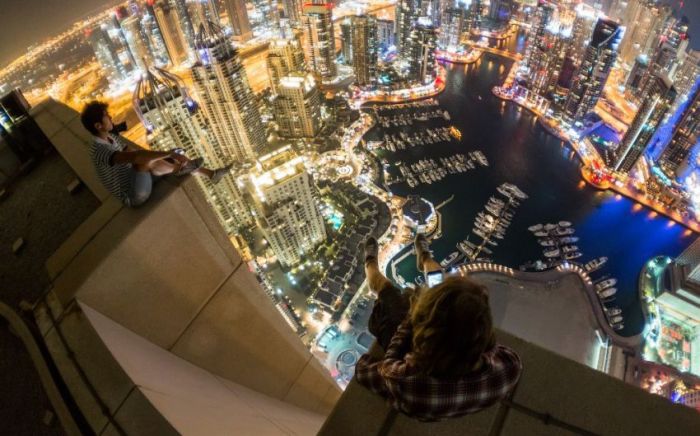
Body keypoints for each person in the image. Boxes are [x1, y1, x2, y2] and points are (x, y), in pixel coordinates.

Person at [355, 234, 522, 422]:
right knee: (439, 287)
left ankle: (370, 262)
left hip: (414, 351)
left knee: (386, 291)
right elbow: (494, 349)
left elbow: (364, 368)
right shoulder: (509, 369)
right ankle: (424, 257)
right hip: (443, 348)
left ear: (424, 332)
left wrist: (411, 319)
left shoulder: (410, 386)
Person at [80, 101, 231, 207]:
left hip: (138, 178)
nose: (111, 117)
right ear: (98, 125)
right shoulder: (100, 150)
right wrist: (168, 154)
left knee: (156, 159)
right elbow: (137, 158)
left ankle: (210, 174)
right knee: (146, 161)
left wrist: (168, 156)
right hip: (133, 194)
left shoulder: (111, 138)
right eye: (107, 115)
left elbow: (133, 152)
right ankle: (182, 169)